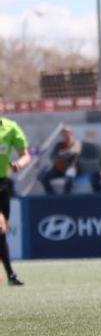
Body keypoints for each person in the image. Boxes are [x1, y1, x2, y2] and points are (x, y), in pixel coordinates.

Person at [0, 117, 31, 286]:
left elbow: (25, 155)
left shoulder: (11, 127)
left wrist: (19, 164)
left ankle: (10, 275)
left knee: (2, 232)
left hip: (2, 184)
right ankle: (10, 274)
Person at [39, 125, 80, 195]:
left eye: (67, 133)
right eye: (64, 133)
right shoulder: (59, 145)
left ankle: (66, 197)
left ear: (71, 133)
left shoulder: (76, 143)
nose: (66, 135)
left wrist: (60, 155)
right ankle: (52, 195)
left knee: (69, 179)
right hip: (58, 169)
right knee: (43, 177)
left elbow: (71, 153)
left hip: (70, 168)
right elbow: (52, 156)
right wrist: (61, 155)